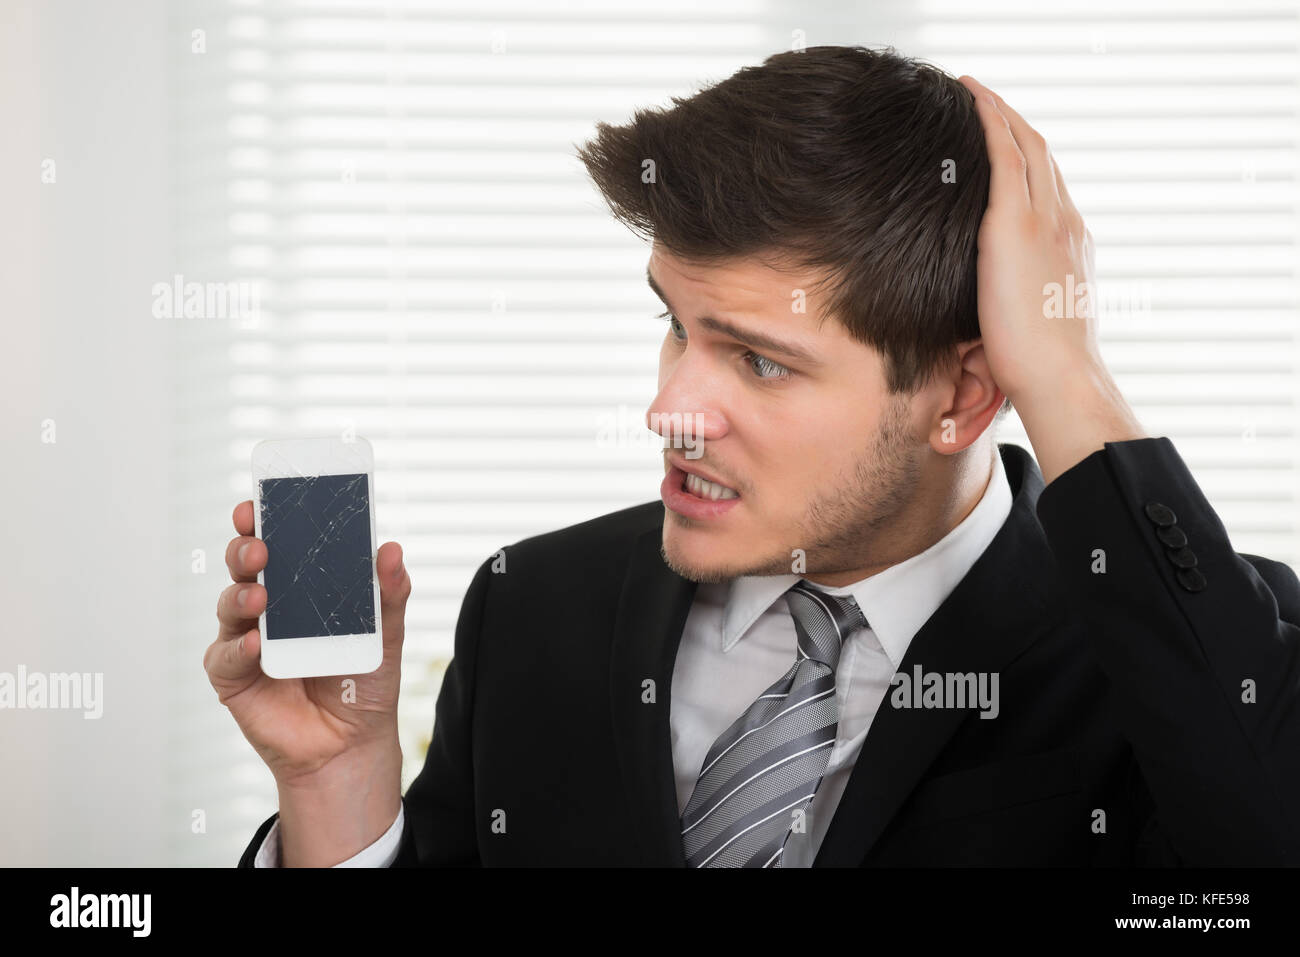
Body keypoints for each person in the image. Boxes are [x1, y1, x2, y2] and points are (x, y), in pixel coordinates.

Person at [205, 46, 1300, 867]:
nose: (669, 410)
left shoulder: (1171, 659)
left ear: (965, 393)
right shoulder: (535, 608)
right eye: (677, 326)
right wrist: (335, 786)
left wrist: (1065, 371)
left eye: (760, 363)